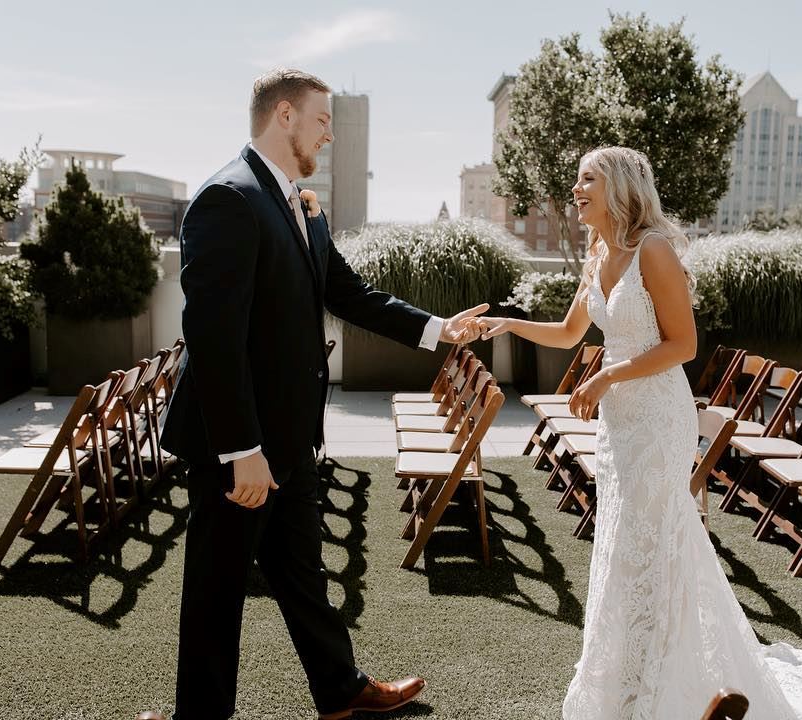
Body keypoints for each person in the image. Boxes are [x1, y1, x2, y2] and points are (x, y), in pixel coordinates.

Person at [475, 146, 802, 720]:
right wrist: (508, 323)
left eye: (587, 179)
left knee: (653, 537)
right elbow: (568, 332)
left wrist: (606, 375)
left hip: (657, 414)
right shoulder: (597, 253)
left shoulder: (652, 250)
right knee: (623, 541)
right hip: (619, 422)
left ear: (620, 187)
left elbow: (683, 345)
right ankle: (627, 675)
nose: (575, 189)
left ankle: (660, 683)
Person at [147, 68, 486, 720]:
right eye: (322, 120)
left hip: (292, 437)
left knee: (302, 573)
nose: (329, 135)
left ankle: (339, 689)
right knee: (216, 591)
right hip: (240, 446)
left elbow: (348, 294)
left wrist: (440, 329)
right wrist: (241, 449)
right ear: (284, 115)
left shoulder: (299, 205)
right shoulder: (228, 199)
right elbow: (213, 338)